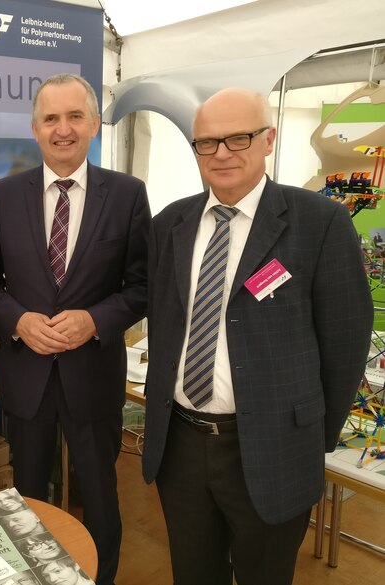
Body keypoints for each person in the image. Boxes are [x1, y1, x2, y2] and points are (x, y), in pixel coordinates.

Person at [143, 88, 373, 585]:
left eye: (239, 138)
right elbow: (161, 318)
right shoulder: (170, 223)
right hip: (181, 446)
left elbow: (346, 342)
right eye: (207, 142)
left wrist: (308, 434)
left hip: (274, 448)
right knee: (193, 574)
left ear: (268, 140)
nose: (222, 153)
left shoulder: (320, 222)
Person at [0, 72, 150, 585]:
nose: (62, 129)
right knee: (27, 499)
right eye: (51, 118)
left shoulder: (127, 194)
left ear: (94, 124)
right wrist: (18, 321)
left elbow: (143, 286)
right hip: (26, 378)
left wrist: (95, 320)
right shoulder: (5, 195)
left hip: (93, 376)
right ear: (35, 128)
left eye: (74, 116)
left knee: (100, 496)